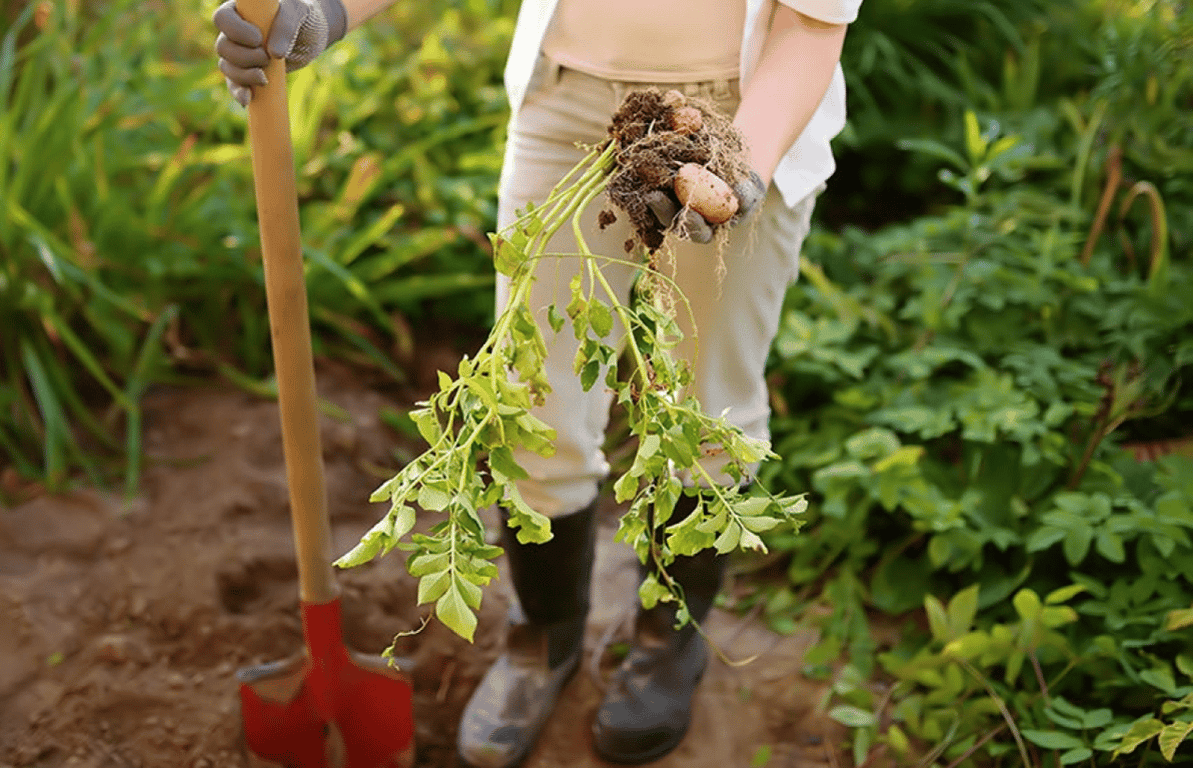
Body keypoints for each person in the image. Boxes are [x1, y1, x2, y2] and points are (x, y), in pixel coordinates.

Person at [213, 0, 859, 765]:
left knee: (707, 409)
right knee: (532, 397)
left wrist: (740, 164)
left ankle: (667, 641)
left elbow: (811, 26)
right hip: (571, 101)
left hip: (737, 112)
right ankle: (541, 640)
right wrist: (326, 11)